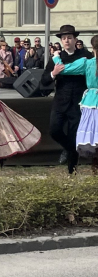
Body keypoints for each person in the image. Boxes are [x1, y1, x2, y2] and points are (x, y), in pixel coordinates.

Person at [41, 25, 94, 173]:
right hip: (60, 101)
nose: (66, 40)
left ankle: (72, 171)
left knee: (74, 134)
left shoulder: (86, 55)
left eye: (69, 38)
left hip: (79, 102)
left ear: (75, 39)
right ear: (61, 41)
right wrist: (53, 73)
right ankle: (68, 148)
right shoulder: (56, 59)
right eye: (64, 38)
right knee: (54, 130)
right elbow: (44, 81)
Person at [52, 35, 98, 171]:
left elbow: (63, 68)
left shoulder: (87, 63)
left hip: (92, 101)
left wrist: (55, 56)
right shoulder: (88, 62)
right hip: (91, 101)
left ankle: (95, 169)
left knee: (94, 137)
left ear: (92, 47)